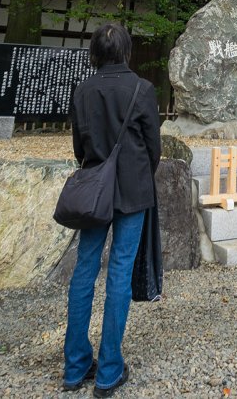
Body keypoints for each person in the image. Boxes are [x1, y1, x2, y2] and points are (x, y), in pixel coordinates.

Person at [62, 22, 161, 397]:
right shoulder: (142, 88)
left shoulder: (84, 90)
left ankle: (74, 367)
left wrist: (95, 171)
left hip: (94, 191)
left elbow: (79, 145)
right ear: (126, 52)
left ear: (96, 53)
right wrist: (137, 173)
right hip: (133, 191)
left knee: (85, 270)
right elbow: (154, 146)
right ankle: (109, 369)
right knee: (119, 271)